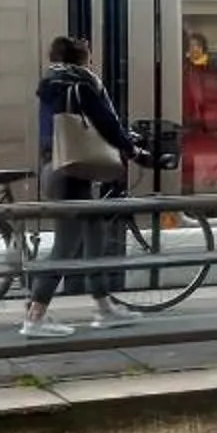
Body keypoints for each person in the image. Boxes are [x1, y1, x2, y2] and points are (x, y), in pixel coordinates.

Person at [23, 39, 147, 339]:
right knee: (65, 247)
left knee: (94, 232)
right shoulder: (80, 86)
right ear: (81, 60)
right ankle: (34, 317)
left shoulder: (52, 84)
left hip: (57, 169)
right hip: (70, 175)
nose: (91, 65)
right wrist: (133, 151)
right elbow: (107, 124)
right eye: (88, 59)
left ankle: (103, 307)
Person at [178, 32, 217, 196]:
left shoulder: (213, 67)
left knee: (211, 163)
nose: (194, 50)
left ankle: (211, 198)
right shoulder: (183, 68)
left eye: (197, 46)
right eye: (191, 46)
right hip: (190, 126)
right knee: (191, 165)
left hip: (211, 126)